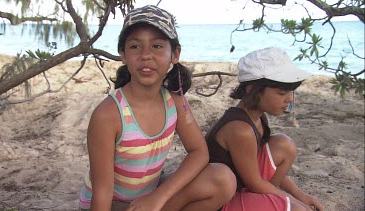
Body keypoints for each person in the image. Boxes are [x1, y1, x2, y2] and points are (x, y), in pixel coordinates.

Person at [78, 5, 236, 211]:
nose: (146, 55)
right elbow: (102, 193)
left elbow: (199, 152)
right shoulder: (108, 114)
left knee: (222, 178)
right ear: (123, 55)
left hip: (150, 197)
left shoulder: (176, 102)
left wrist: (159, 197)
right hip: (115, 203)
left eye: (157, 46)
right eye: (135, 46)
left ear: (175, 54)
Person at [206, 47, 324, 211]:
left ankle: (268, 200)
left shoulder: (257, 117)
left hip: (243, 184)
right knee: (297, 209)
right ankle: (268, 201)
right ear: (252, 90)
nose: (289, 99)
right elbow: (254, 183)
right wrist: (294, 202)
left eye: (290, 92)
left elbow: (258, 173)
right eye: (282, 93)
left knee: (284, 144)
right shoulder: (240, 129)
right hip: (222, 199)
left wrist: (300, 195)